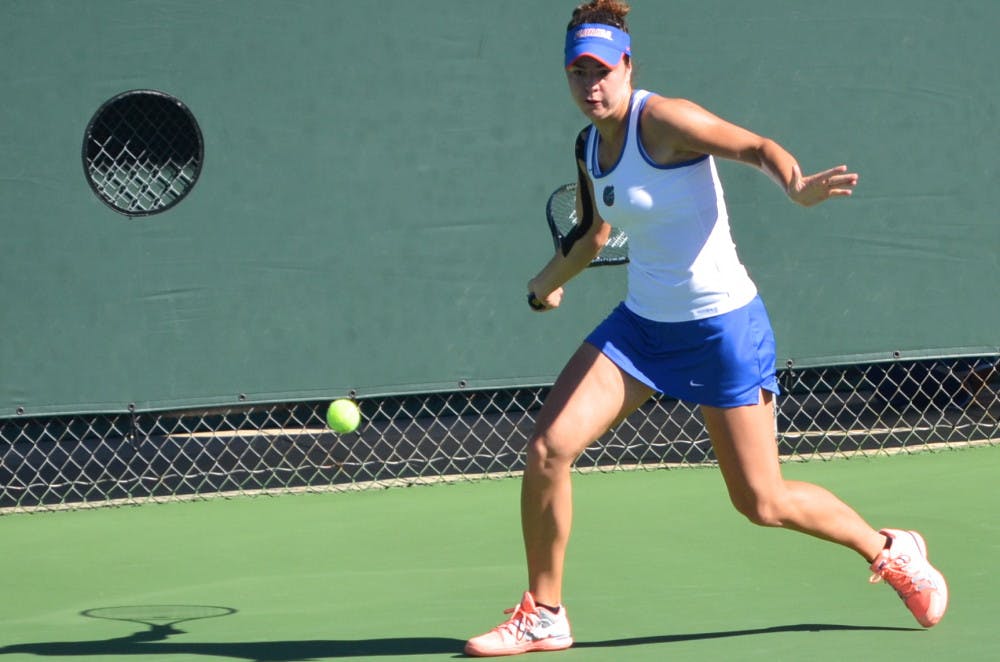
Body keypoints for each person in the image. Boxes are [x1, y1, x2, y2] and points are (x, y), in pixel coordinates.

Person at [463, 0, 949, 657]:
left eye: (602, 70)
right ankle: (545, 614)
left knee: (761, 501)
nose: (591, 85)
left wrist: (795, 183)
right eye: (578, 73)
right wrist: (543, 284)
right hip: (641, 330)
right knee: (549, 448)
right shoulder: (589, 146)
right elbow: (592, 236)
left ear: (628, 66)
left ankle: (892, 550)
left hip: (722, 328)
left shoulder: (662, 120)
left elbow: (754, 146)